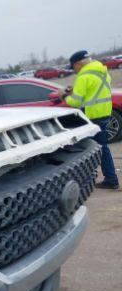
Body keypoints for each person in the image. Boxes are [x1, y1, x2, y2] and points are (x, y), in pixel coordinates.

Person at [60, 50, 119, 190]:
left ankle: (111, 180)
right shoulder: (101, 70)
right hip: (105, 113)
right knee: (101, 148)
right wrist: (72, 90)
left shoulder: (84, 76)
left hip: (94, 116)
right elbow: (93, 90)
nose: (74, 70)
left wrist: (63, 96)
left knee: (96, 149)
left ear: (79, 64)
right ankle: (110, 178)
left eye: (74, 67)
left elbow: (75, 102)